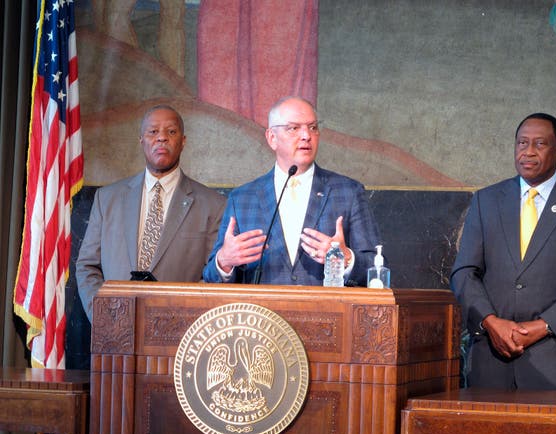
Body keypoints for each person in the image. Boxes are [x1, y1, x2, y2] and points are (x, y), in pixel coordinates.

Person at [450, 112, 556, 391]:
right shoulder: (486, 201)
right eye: (522, 143)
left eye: (540, 144)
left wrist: (540, 327)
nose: (528, 152)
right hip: (490, 362)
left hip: (554, 365)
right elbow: (464, 272)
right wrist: (492, 323)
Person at [202, 96, 381, 286]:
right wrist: (224, 261)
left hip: (328, 313)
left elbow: (377, 272)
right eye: (294, 128)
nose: (306, 136)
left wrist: (347, 259)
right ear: (272, 138)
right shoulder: (243, 198)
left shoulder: (348, 192)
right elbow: (211, 276)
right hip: (261, 314)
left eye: (312, 127)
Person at [76, 105, 226, 321]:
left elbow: (212, 275)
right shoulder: (107, 199)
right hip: (114, 336)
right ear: (141, 140)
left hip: (177, 337)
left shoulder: (213, 205)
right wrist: (102, 318)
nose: (162, 138)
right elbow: (87, 266)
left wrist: (182, 320)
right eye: (153, 132)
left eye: (171, 132)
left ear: (183, 141)